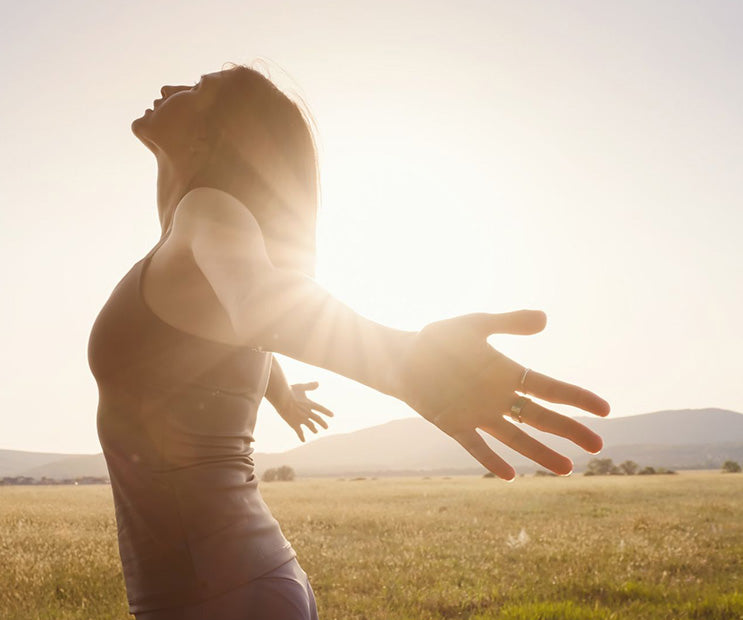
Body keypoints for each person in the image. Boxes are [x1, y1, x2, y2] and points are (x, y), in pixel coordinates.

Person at [88, 65, 609, 620]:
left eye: (198, 88)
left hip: (219, 594)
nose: (170, 88)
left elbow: (262, 302)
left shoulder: (207, 210)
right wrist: (281, 392)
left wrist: (407, 363)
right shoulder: (191, 240)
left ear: (209, 134)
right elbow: (233, 325)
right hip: (233, 583)